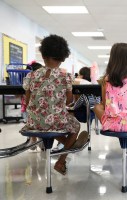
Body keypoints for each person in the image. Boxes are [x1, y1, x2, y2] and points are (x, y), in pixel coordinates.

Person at [21, 34, 89, 175]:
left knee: (48, 126)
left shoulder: (31, 76)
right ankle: (61, 160)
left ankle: (67, 144)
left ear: (43, 54)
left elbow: (27, 102)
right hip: (55, 122)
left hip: (33, 122)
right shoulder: (66, 77)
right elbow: (69, 102)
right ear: (63, 57)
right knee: (75, 126)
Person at [21, 62, 43, 150]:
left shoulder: (28, 78)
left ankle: (33, 140)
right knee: (40, 123)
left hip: (30, 107)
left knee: (31, 121)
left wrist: (27, 106)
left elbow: (27, 97)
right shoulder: (44, 79)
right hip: (42, 108)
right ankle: (39, 140)